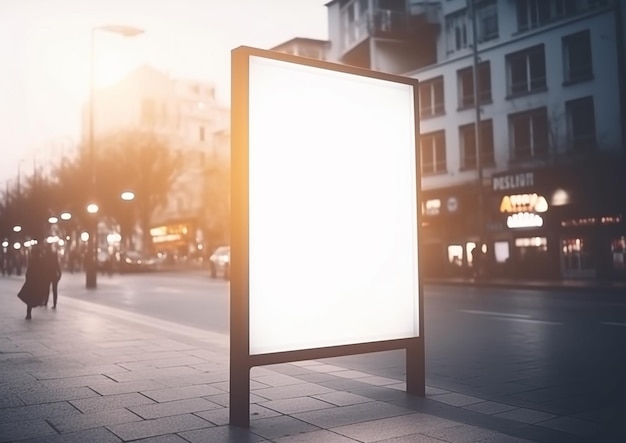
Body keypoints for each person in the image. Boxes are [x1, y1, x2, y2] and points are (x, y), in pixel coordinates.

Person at [17, 244, 49, 320]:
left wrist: (27, 278)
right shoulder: (41, 260)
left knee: (29, 298)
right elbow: (43, 271)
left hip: (31, 281)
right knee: (34, 296)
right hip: (36, 281)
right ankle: (36, 305)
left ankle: (28, 314)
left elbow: (29, 271)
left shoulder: (32, 260)